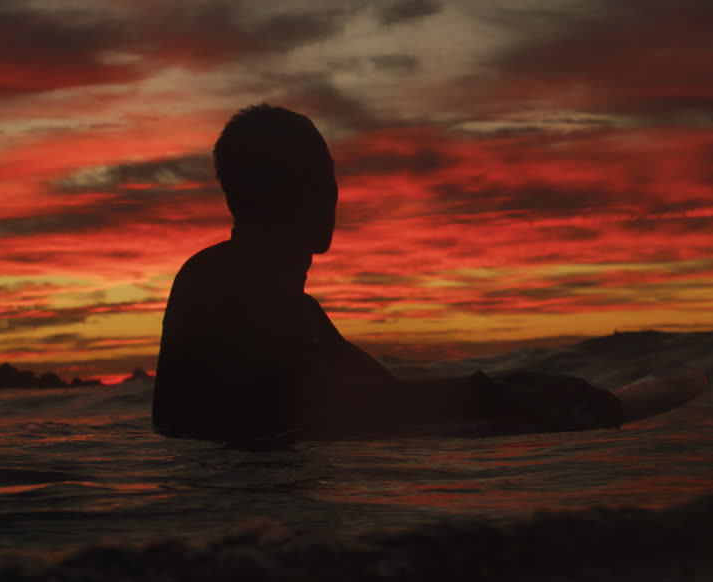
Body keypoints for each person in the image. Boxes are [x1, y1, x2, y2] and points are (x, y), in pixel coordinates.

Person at [152, 105, 620, 443]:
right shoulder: (226, 285)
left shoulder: (295, 308)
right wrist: (488, 396)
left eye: (327, 178)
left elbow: (381, 390)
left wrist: (530, 380)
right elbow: (311, 411)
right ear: (267, 193)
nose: (330, 195)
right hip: (234, 530)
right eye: (313, 179)